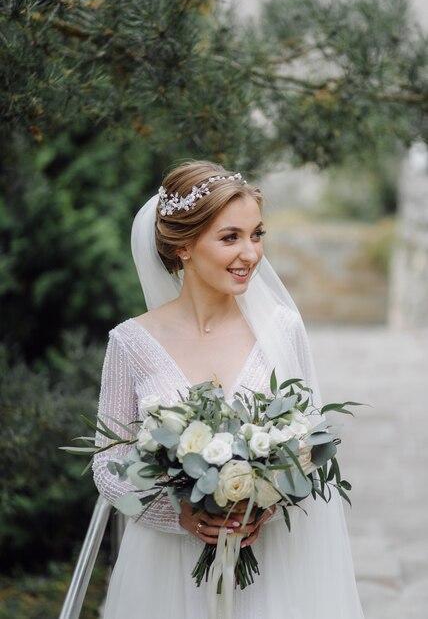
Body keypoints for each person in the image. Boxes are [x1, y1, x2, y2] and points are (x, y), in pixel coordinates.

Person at [93, 160, 365, 619]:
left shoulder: (282, 328)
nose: (251, 254)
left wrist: (265, 505)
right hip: (166, 571)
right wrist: (177, 515)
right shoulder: (130, 343)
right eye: (230, 237)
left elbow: (310, 447)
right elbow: (106, 468)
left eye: (256, 234)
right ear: (183, 246)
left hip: (273, 564)